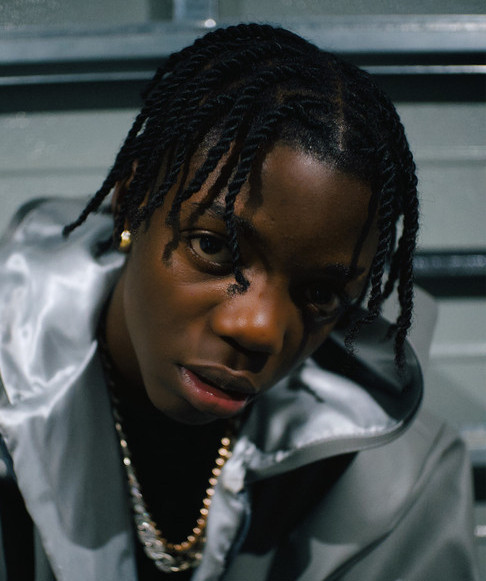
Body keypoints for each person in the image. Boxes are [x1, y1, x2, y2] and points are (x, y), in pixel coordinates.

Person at [0, 23, 478, 581]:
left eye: (320, 294)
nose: (260, 329)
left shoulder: (401, 482)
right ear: (130, 206)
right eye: (214, 247)